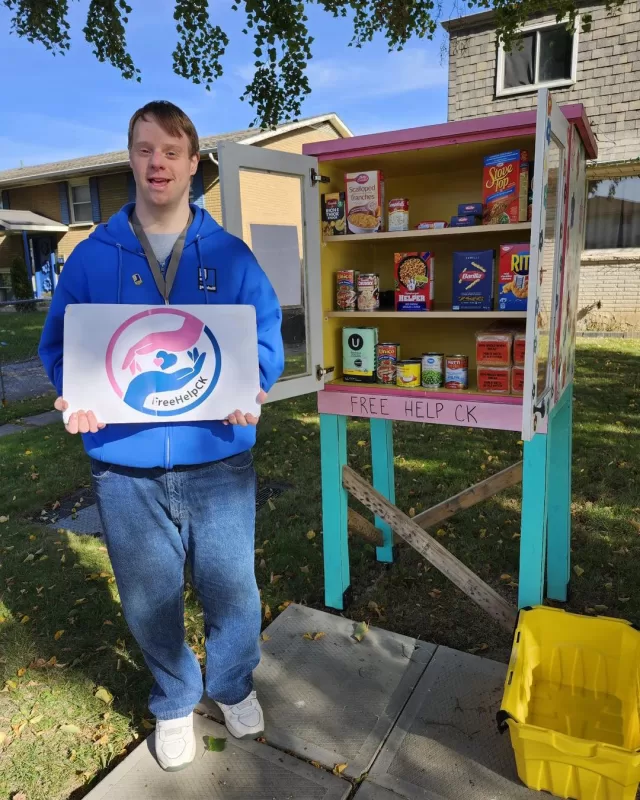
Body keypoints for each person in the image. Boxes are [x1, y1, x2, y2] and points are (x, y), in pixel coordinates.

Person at [38, 101, 285, 772]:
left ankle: (232, 683)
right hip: (125, 464)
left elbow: (263, 340)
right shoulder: (92, 257)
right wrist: (74, 393)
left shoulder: (230, 256)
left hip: (218, 455)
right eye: (145, 149)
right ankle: (176, 699)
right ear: (131, 159)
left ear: (192, 164)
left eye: (171, 152)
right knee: (149, 595)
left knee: (233, 586)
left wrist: (251, 384)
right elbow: (61, 344)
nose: (158, 163)